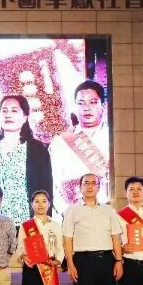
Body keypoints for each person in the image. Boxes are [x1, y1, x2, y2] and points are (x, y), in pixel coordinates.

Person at [0, 95, 53, 224]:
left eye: (14, 110)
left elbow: (45, 191)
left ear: (24, 118)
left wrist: (44, 223)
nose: (8, 115)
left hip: (26, 226)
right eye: (4, 110)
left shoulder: (37, 150)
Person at [49, 81, 111, 215]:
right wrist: (66, 212)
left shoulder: (114, 139)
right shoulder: (60, 142)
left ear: (103, 106)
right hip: (72, 214)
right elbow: (53, 183)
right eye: (81, 103)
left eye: (93, 102)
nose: (86, 108)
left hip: (107, 213)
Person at [14, 190, 64, 285]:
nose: (40, 204)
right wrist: (23, 256)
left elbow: (60, 248)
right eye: (36, 201)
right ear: (32, 204)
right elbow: (20, 248)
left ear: (49, 204)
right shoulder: (26, 226)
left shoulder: (56, 226)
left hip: (50, 269)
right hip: (32, 270)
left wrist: (58, 260)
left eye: (44, 201)